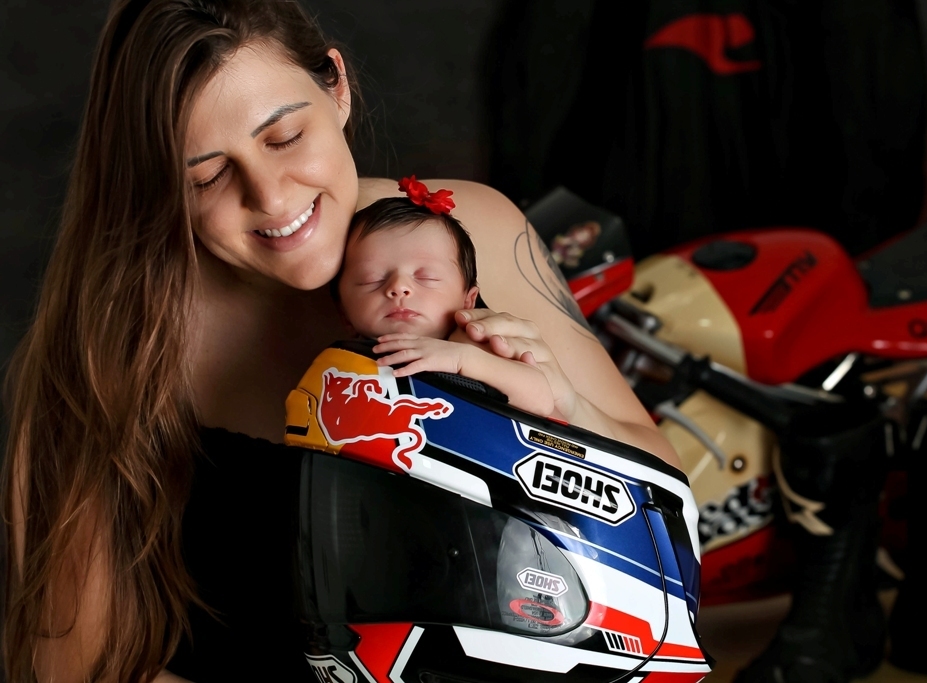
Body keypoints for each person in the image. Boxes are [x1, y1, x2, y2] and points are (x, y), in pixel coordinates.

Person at [1, 0, 678, 681]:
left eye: (285, 136)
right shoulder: (117, 338)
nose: (269, 196)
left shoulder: (472, 229)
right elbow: (73, 662)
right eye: (206, 176)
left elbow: (665, 502)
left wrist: (564, 404)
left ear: (338, 87)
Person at [334, 179, 556, 417]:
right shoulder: (343, 362)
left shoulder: (472, 347)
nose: (398, 287)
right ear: (344, 314)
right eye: (372, 279)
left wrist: (462, 360)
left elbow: (542, 399)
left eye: (426, 277)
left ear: (467, 301)